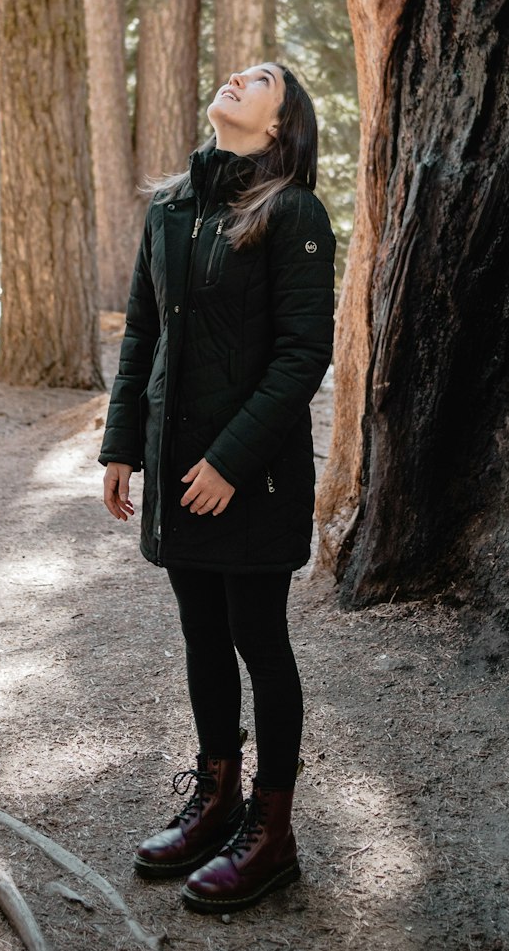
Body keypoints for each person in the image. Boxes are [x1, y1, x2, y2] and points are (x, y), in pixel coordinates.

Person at [99, 63, 336, 914]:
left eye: (263, 78)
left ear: (279, 127)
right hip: (173, 466)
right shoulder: (169, 207)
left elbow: (303, 355)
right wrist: (122, 443)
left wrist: (232, 461)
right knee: (202, 633)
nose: (239, 75)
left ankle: (273, 835)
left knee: (257, 639)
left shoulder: (294, 214)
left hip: (254, 475)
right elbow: (143, 334)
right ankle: (216, 801)